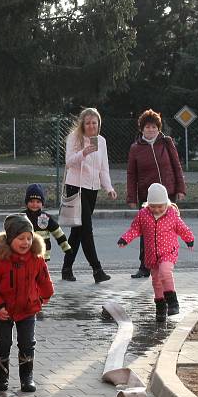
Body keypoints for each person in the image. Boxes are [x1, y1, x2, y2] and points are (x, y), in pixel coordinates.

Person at [0, 213, 54, 392]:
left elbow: (44, 280)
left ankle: (26, 378)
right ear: (10, 239)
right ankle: (1, 377)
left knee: (27, 342)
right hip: (4, 311)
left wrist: (45, 297)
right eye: (21, 238)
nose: (26, 242)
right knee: (3, 343)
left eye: (29, 238)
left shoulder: (36, 259)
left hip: (28, 310)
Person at [118, 183, 194, 322]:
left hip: (168, 252)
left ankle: (172, 302)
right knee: (156, 281)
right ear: (148, 204)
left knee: (165, 272)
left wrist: (189, 239)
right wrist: (125, 239)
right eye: (153, 207)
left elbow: (183, 229)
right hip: (152, 254)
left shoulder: (172, 215)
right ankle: (160, 307)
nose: (157, 210)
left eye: (160, 206)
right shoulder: (143, 215)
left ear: (166, 203)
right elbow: (135, 229)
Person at [126, 109, 186, 278]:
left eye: (154, 126)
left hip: (168, 195)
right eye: (147, 127)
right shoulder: (135, 148)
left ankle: (166, 263)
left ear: (158, 128)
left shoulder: (167, 143)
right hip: (147, 197)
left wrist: (181, 189)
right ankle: (144, 266)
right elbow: (131, 174)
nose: (151, 130)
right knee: (146, 232)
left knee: (166, 230)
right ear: (142, 129)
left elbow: (177, 167)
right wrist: (132, 197)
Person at [60, 107, 117, 283]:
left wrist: (108, 188)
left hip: (92, 189)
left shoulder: (101, 141)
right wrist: (83, 152)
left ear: (99, 124)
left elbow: (103, 168)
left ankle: (66, 268)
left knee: (77, 231)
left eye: (94, 122)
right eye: (88, 123)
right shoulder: (74, 138)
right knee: (86, 230)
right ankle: (97, 269)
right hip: (76, 187)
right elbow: (69, 162)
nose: (91, 126)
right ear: (82, 124)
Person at [23, 183, 72, 262]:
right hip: (25, 253)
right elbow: (13, 234)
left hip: (42, 253)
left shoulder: (46, 218)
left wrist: (65, 247)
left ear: (42, 203)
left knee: (41, 273)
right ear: (26, 202)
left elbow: (58, 233)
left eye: (38, 202)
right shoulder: (22, 217)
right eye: (31, 201)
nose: (35, 204)